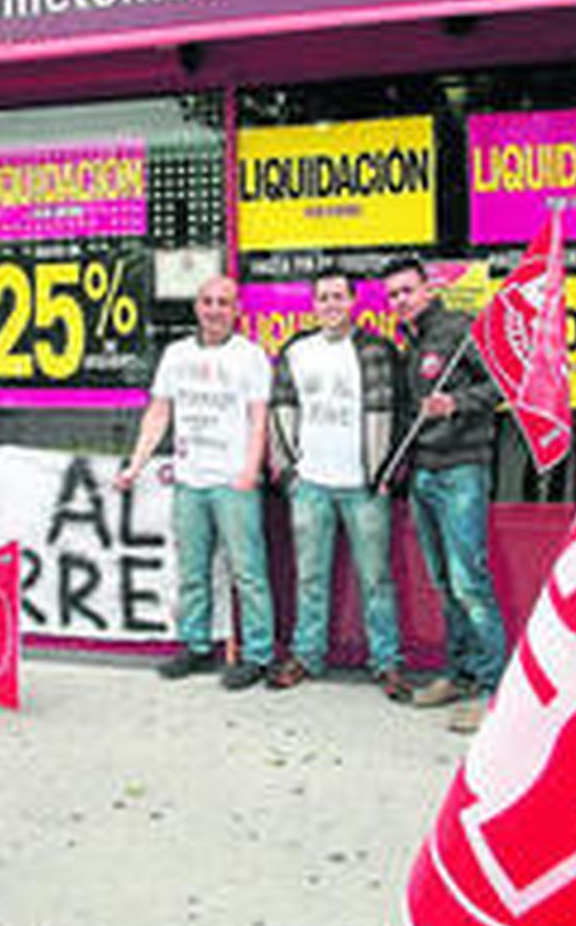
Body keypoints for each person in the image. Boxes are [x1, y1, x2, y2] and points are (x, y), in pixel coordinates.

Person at [115, 275, 275, 690]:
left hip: (233, 481)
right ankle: (196, 646)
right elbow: (158, 413)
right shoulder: (175, 355)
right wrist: (135, 465)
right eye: (208, 302)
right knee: (192, 571)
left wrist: (249, 471)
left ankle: (258, 655)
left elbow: (260, 419)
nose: (215, 309)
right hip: (190, 480)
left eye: (224, 302)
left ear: (236, 309)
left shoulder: (251, 356)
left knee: (249, 573)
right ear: (197, 308)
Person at [267, 268, 411, 702]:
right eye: (323, 298)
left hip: (365, 485)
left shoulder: (378, 350)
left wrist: (388, 472)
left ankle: (386, 663)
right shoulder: (296, 350)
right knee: (310, 577)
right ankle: (307, 656)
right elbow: (279, 411)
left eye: (338, 297)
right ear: (313, 305)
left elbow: (401, 413)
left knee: (377, 579)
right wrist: (289, 473)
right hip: (310, 484)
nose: (330, 305)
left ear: (354, 302)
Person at [384, 255, 505, 734]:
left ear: (427, 290)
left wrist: (455, 402)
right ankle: (461, 675)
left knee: (469, 583)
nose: (400, 301)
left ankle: (494, 689)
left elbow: (497, 386)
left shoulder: (458, 330)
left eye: (407, 291)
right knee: (443, 583)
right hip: (424, 473)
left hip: (461, 471)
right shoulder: (409, 343)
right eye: (392, 295)